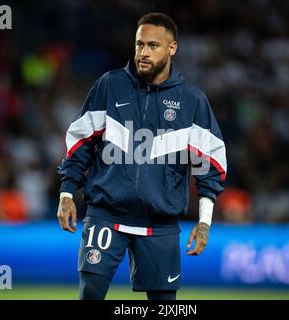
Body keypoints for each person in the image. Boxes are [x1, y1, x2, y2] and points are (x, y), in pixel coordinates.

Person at [56, 12, 227, 300]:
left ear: (172, 48)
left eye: (152, 46)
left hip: (160, 225)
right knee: (90, 294)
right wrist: (66, 192)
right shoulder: (109, 85)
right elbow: (80, 142)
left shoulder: (192, 101)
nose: (143, 53)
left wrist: (205, 221)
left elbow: (210, 163)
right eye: (139, 45)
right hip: (105, 215)